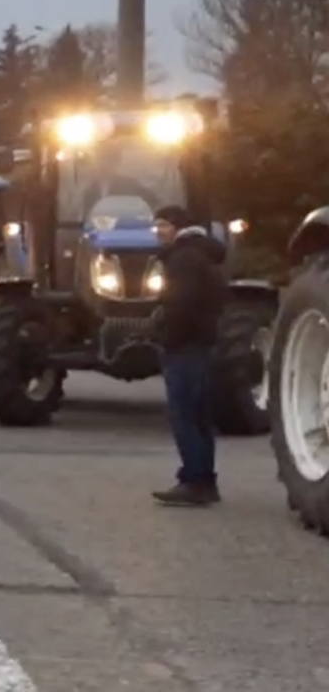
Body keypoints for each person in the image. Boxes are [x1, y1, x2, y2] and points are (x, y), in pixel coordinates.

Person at [150, 205, 228, 507]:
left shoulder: (183, 259)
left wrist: (164, 333)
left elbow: (180, 305)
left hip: (185, 346)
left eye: (162, 226)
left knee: (184, 415)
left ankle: (193, 480)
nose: (158, 232)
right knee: (200, 416)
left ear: (177, 226)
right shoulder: (202, 254)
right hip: (202, 343)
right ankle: (205, 480)